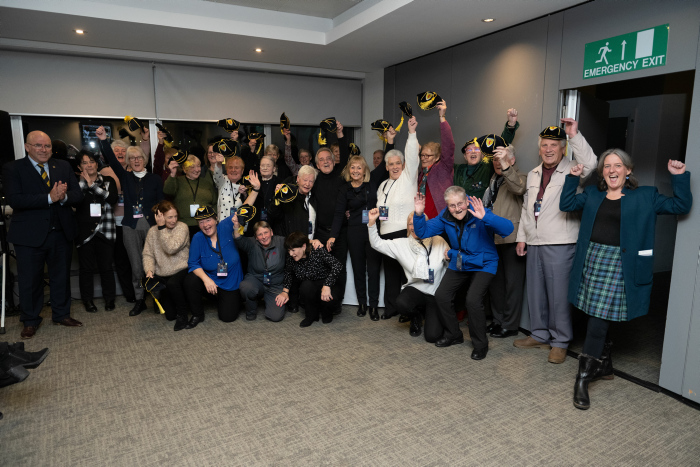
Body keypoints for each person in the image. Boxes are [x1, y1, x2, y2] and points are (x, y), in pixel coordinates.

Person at [560, 153, 691, 410]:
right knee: (598, 314)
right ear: (602, 173)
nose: (612, 170)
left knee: (598, 318)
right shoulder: (592, 194)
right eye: (607, 166)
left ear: (628, 170)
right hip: (592, 260)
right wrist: (572, 178)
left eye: (618, 165)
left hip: (622, 263)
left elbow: (681, 206)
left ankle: (583, 376)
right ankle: (604, 364)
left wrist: (678, 177)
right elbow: (566, 204)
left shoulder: (646, 195)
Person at [513, 118, 597, 364]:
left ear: (563, 148)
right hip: (535, 241)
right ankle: (539, 334)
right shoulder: (534, 173)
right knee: (536, 292)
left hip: (561, 241)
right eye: (544, 145)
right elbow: (527, 208)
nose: (548, 149)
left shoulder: (574, 168)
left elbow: (592, 163)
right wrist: (522, 238)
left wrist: (574, 135)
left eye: (554, 145)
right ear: (539, 149)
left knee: (559, 295)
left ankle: (560, 341)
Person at [413, 187, 513, 360]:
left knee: (472, 300)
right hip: (461, 261)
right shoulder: (445, 216)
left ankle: (480, 345)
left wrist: (486, 217)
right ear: (447, 206)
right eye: (452, 205)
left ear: (467, 201)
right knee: (442, 295)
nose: (457, 209)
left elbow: (508, 229)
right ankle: (454, 334)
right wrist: (419, 214)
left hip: (485, 263)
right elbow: (422, 232)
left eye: (460, 203)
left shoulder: (479, 211)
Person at [3, 131, 84, 339]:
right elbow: (15, 199)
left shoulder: (63, 166)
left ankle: (62, 315)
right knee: (30, 280)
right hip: (29, 236)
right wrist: (49, 198)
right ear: (27, 147)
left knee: (61, 277)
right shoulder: (13, 168)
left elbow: (77, 195)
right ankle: (30, 321)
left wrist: (63, 197)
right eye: (38, 145)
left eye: (47, 146)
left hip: (60, 233)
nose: (43, 149)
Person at [96, 125, 164, 316]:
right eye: (132, 158)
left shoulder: (155, 179)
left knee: (155, 263)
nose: (136, 160)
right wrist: (103, 140)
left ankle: (158, 298)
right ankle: (140, 299)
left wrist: (162, 224)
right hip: (130, 226)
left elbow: (161, 203)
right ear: (128, 161)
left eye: (139, 157)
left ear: (144, 159)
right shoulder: (124, 177)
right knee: (136, 265)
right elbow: (111, 159)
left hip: (151, 226)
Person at [368, 209, 449, 341]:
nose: (414, 227)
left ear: (426, 224)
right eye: (410, 224)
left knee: (432, 336)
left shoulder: (439, 241)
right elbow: (377, 244)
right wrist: (371, 223)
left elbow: (450, 267)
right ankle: (416, 316)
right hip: (416, 289)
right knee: (401, 303)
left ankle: (430, 313)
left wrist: (450, 258)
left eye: (417, 223)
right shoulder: (402, 244)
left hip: (435, 293)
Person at [376, 116, 419, 320]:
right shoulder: (382, 186)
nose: (394, 166)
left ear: (403, 165)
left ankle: (406, 310)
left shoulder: (408, 178)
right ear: (386, 166)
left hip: (404, 233)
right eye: (390, 164)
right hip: (386, 234)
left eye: (398, 163)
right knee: (391, 274)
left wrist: (411, 133)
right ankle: (391, 308)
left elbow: (412, 156)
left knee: (406, 273)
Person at [328, 155, 382, 320]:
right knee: (358, 270)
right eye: (353, 167)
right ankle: (362, 303)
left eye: (359, 167)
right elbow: (339, 214)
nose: (356, 170)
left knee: (373, 270)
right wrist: (333, 236)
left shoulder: (372, 184)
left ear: (364, 170)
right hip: (354, 232)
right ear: (348, 170)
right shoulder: (344, 189)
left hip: (372, 231)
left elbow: (384, 165)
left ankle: (374, 306)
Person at [483, 145, 527, 338]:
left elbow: (518, 188)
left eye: (502, 158)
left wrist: (505, 166)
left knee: (512, 285)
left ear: (512, 160)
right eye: (495, 159)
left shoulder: (521, 177)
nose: (498, 162)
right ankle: (498, 320)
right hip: (492, 238)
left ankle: (510, 325)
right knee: (496, 284)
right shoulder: (494, 181)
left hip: (512, 238)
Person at [310, 122, 350, 313]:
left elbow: (345, 153)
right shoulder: (314, 179)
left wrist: (340, 133)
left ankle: (336, 303)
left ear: (334, 161)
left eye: (329, 159)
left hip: (340, 232)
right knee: (323, 267)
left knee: (339, 268)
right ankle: (322, 300)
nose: (326, 162)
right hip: (320, 233)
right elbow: (299, 181)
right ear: (317, 164)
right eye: (322, 160)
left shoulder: (341, 175)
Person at [184, 206, 243, 328]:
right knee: (191, 280)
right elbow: (193, 263)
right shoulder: (198, 237)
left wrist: (255, 193)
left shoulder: (225, 226)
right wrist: (206, 280)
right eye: (201, 222)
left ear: (216, 219)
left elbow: (244, 209)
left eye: (208, 220)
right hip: (211, 280)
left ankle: (223, 299)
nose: (205, 225)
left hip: (230, 282)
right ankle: (197, 314)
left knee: (228, 317)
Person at [75, 150, 118, 313]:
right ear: (79, 167)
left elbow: (112, 199)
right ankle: (87, 300)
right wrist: (83, 183)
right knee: (86, 269)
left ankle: (109, 299)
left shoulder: (108, 180)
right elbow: (75, 201)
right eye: (84, 163)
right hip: (85, 232)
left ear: (97, 164)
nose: (89, 165)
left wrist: (92, 185)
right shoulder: (76, 183)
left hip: (105, 230)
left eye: (92, 161)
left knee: (106, 267)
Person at [276, 231, 344, 327]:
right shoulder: (291, 258)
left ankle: (327, 313)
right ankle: (311, 316)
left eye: (293, 250)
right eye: (289, 251)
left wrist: (327, 285)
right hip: (310, 285)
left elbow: (337, 265)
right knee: (306, 286)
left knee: (330, 302)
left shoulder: (317, 250)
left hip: (326, 283)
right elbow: (288, 273)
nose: (291, 254)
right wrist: (285, 292)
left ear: (303, 246)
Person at [142, 201, 191, 331]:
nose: (174, 220)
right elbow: (148, 254)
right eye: (170, 217)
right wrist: (149, 270)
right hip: (163, 274)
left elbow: (171, 248)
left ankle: (183, 316)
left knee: (173, 284)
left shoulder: (182, 227)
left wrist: (161, 228)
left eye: (175, 216)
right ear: (160, 216)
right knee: (169, 316)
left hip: (182, 269)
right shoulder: (152, 231)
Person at [99, 139, 136, 303]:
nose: (120, 153)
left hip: (133, 220)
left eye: (123, 150)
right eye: (116, 151)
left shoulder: (134, 169)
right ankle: (130, 294)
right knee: (121, 260)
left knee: (135, 258)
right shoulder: (105, 171)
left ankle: (141, 291)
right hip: (114, 221)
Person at [454, 108, 519, 199]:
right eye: (469, 150)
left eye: (477, 149)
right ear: (465, 156)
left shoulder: (487, 167)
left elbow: (500, 146)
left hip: (480, 208)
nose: (473, 152)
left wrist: (511, 125)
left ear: (482, 154)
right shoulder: (457, 170)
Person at [234, 219, 287, 321]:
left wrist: (313, 241)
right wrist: (236, 226)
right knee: (246, 287)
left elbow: (296, 242)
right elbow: (238, 239)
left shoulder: (281, 241)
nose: (263, 237)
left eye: (266, 232)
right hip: (256, 279)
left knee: (275, 316)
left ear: (271, 232)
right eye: (260, 234)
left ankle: (268, 300)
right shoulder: (252, 243)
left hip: (275, 284)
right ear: (256, 237)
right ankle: (251, 311)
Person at [415, 99, 455, 219]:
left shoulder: (442, 168)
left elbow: (448, 145)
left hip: (440, 221)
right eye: (422, 155)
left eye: (428, 155)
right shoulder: (422, 174)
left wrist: (442, 117)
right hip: (423, 220)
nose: (424, 158)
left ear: (437, 157)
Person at [164, 154, 217, 240]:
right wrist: (172, 174)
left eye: (198, 166)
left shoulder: (206, 183)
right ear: (185, 169)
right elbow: (167, 191)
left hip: (205, 226)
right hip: (183, 226)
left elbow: (215, 203)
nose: (197, 169)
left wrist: (214, 220)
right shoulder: (177, 181)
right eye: (192, 167)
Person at [269, 164, 318, 238]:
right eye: (305, 180)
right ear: (298, 179)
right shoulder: (288, 194)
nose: (307, 184)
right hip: (289, 240)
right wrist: (277, 198)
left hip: (308, 240)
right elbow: (273, 214)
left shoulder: (314, 197)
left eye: (311, 181)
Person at [245, 155, 281, 235]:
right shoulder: (253, 181)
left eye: (268, 166)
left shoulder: (280, 183)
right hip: (255, 223)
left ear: (274, 169)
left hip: (274, 224)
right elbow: (246, 204)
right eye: (262, 165)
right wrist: (244, 193)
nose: (265, 168)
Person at [211, 154, 249, 221]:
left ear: (242, 171)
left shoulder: (247, 183)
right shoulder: (223, 181)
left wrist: (245, 194)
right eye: (230, 167)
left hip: (240, 225)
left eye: (236, 168)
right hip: (223, 224)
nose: (233, 170)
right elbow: (217, 174)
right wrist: (218, 164)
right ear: (226, 170)